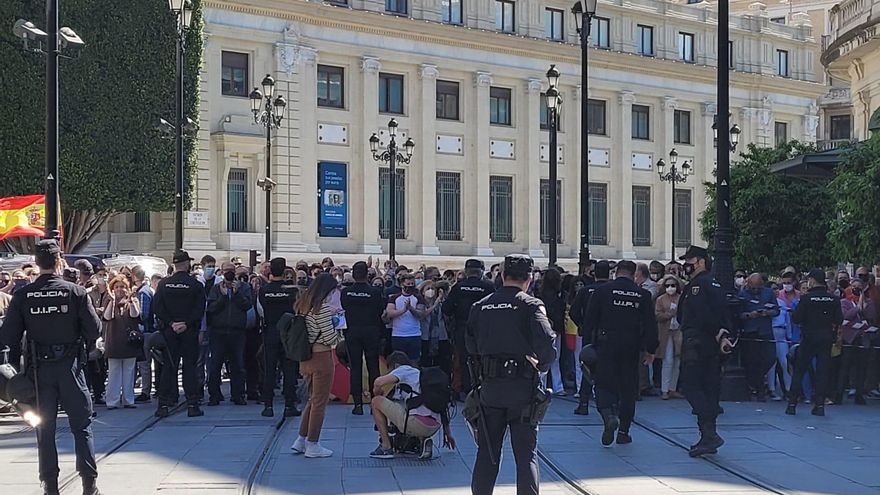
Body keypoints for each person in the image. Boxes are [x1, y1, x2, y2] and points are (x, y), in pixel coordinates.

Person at [0, 239, 102, 495]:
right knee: (82, 426)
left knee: (45, 429)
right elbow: (94, 329)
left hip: (39, 371)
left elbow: (8, 337)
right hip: (70, 368)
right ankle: (89, 484)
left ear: (36, 262)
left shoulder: (23, 295)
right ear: (59, 262)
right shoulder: (75, 292)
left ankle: (50, 486)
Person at [466, 254, 556, 495]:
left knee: (487, 454)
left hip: (491, 388)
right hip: (522, 388)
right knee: (526, 455)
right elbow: (547, 341)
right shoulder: (530, 305)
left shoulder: (481, 305)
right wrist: (542, 365)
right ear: (530, 278)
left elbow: (469, 343)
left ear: (503, 276)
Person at [583, 260, 658, 446]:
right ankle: (624, 431)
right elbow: (650, 324)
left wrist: (588, 344)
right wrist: (651, 349)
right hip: (631, 346)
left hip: (606, 344)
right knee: (628, 388)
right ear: (634, 274)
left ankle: (608, 415)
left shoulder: (603, 291)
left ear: (616, 272)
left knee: (603, 384)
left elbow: (590, 319)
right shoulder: (643, 294)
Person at [676, 245, 733, 458]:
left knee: (690, 385)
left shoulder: (698, 286)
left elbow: (698, 315)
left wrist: (716, 332)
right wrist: (724, 334)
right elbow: (724, 312)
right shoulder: (715, 284)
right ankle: (708, 434)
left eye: (689, 262)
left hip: (698, 342)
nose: (686, 266)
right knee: (709, 387)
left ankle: (708, 430)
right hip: (712, 344)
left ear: (700, 262)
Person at [289, 274, 342, 458]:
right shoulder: (323, 309)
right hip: (322, 358)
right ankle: (313, 443)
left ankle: (301, 440)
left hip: (306, 358)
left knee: (312, 400)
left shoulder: (302, 306)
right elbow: (330, 339)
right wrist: (336, 326)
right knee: (320, 402)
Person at [369, 351, 456, 460]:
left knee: (376, 401)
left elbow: (378, 382)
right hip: (434, 426)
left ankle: (386, 447)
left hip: (417, 423)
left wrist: (378, 393)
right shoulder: (421, 377)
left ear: (395, 366)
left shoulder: (403, 370)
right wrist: (448, 434)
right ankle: (423, 441)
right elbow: (442, 408)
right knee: (411, 408)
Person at [153, 250, 207, 418]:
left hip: (170, 332)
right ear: (187, 264)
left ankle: (163, 404)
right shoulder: (195, 285)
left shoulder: (163, 284)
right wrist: (186, 323)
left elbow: (157, 308)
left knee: (169, 367)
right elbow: (200, 309)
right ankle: (192, 404)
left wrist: (171, 323)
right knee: (190, 368)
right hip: (189, 331)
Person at [787, 269, 843, 416]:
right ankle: (819, 405)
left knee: (800, 370)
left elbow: (796, 318)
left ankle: (792, 404)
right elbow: (839, 320)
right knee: (823, 371)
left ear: (812, 280)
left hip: (809, 337)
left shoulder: (806, 299)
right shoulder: (833, 299)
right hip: (826, 338)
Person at [257, 257, 302, 418]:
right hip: (288, 333)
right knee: (289, 369)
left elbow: (260, 311)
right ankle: (289, 404)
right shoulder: (292, 291)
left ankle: (268, 405)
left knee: (270, 369)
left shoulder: (264, 290)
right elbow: (298, 311)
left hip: (270, 332)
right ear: (284, 272)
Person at [443, 259, 495, 398]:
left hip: (463, 328)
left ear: (466, 271)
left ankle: (468, 390)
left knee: (464, 360)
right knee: (485, 359)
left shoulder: (459, 287)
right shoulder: (488, 287)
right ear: (481, 271)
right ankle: (484, 388)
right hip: (484, 330)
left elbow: (446, 309)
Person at [340, 261, 385, 415]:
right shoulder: (375, 292)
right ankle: (375, 402)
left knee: (355, 366)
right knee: (373, 366)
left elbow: (344, 309)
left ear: (353, 275)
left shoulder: (346, 292)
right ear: (367, 274)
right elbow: (380, 310)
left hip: (352, 331)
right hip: (371, 331)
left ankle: (357, 403)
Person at [205, 261, 253, 406]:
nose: (229, 274)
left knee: (238, 365)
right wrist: (224, 296)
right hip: (218, 332)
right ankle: (214, 395)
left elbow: (247, 305)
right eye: (227, 271)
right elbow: (211, 308)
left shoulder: (244, 288)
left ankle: (238, 395)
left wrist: (237, 294)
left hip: (237, 331)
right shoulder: (215, 289)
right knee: (215, 364)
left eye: (232, 271)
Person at [569, 260, 611, 415]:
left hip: (590, 335)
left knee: (588, 368)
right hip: (608, 335)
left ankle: (583, 402)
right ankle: (608, 404)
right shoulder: (611, 290)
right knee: (608, 369)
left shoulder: (586, 290)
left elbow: (573, 311)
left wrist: (582, 324)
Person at [737, 273, 780, 401]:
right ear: (748, 284)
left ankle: (756, 380)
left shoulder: (768, 293)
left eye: (758, 287)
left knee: (770, 357)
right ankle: (759, 388)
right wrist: (750, 315)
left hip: (765, 329)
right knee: (753, 360)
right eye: (753, 287)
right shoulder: (743, 295)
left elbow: (777, 310)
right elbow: (739, 314)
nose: (755, 290)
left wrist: (767, 312)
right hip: (751, 330)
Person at [102, 276, 142, 410]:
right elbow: (107, 317)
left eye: (123, 286)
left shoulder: (133, 300)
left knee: (129, 372)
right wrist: (113, 302)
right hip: (113, 342)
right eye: (117, 287)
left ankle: (128, 400)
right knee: (114, 373)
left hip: (129, 343)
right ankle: (112, 401)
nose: (120, 289)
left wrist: (131, 300)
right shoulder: (109, 301)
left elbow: (135, 315)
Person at [537, 267, 566, 396]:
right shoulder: (559, 297)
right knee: (556, 358)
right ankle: (558, 386)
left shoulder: (539, 294)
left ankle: (541, 385)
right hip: (555, 329)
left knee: (541, 357)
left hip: (541, 329)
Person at [385, 274, 426, 361]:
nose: (410, 286)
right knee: (399, 361)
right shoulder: (394, 298)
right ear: (402, 285)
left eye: (412, 284)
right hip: (398, 335)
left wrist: (411, 309)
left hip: (414, 334)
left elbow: (421, 314)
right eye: (408, 284)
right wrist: (403, 310)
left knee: (414, 361)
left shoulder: (418, 298)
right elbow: (389, 312)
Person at [655, 275, 684, 400]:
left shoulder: (681, 298)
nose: (670, 288)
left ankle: (673, 388)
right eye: (667, 285)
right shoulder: (661, 299)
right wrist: (669, 314)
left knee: (678, 360)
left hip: (678, 332)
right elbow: (657, 315)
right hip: (666, 332)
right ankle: (664, 390)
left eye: (673, 285)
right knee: (667, 361)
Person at [417, 280, 453, 375]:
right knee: (425, 362)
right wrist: (434, 305)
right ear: (423, 292)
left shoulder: (441, 303)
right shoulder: (420, 304)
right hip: (425, 336)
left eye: (432, 289)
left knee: (443, 363)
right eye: (428, 289)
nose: (431, 291)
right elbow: (422, 315)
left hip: (441, 336)